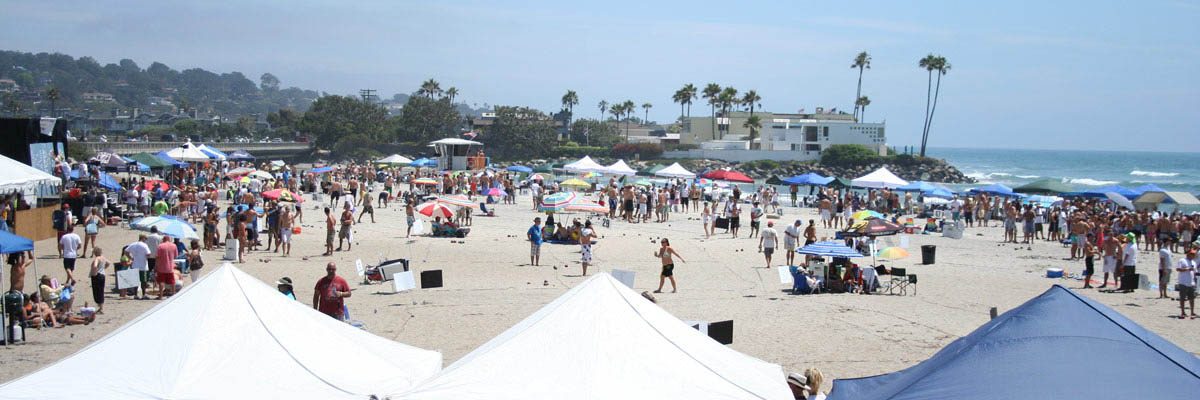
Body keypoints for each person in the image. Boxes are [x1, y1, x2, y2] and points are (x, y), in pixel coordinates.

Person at [126, 235, 152, 299]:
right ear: (143, 238)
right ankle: (144, 294)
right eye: (145, 239)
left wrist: (131, 258)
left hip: (135, 265)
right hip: (143, 266)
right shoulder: (144, 245)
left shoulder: (133, 244)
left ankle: (135, 295)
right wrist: (146, 257)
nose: (146, 240)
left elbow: (126, 251)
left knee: (136, 281)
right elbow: (148, 254)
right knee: (144, 281)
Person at [154, 235, 179, 299]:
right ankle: (173, 294)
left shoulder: (160, 246)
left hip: (161, 266)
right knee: (172, 281)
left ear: (163, 239)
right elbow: (176, 256)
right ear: (169, 239)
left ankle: (161, 296)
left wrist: (156, 266)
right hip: (170, 267)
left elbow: (157, 257)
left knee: (161, 281)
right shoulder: (174, 245)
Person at [1176, 250, 1197, 319]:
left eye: (1194, 254)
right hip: (1183, 282)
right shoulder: (1182, 260)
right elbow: (1178, 269)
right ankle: (1183, 312)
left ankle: (1192, 312)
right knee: (1182, 298)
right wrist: (1187, 269)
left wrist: (1195, 282)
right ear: (1188, 254)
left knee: (1192, 298)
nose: (1193, 255)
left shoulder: (1194, 262)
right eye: (1192, 254)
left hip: (1191, 283)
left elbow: (1194, 272)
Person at [88, 248, 109, 314]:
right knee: (101, 291)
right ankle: (100, 307)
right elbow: (108, 263)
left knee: (97, 291)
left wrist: (95, 272)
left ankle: (101, 307)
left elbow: (95, 266)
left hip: (97, 276)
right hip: (102, 275)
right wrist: (103, 268)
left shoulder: (97, 258)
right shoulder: (103, 258)